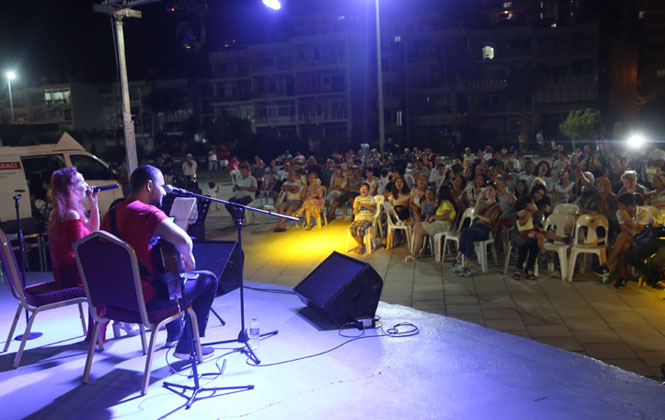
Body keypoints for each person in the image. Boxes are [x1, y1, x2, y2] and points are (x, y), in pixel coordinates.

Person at [101, 165, 218, 359]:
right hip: (145, 301)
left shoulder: (112, 213)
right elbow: (184, 241)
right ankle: (187, 345)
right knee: (209, 281)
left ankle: (175, 333)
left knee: (164, 277)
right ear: (149, 186)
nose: (164, 191)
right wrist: (189, 258)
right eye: (161, 186)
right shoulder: (146, 213)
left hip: (115, 300)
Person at [594, 193, 653, 289]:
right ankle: (621, 277)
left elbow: (639, 233)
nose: (618, 207)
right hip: (629, 238)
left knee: (623, 238)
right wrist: (632, 229)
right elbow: (624, 230)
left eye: (621, 205)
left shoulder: (644, 213)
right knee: (624, 245)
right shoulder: (619, 213)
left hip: (647, 239)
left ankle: (608, 266)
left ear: (630, 206)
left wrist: (628, 219)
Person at [447, 181, 503, 277]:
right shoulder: (482, 202)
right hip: (475, 227)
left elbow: (490, 220)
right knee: (468, 235)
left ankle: (458, 259)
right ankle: (466, 266)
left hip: (485, 229)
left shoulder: (497, 206)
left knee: (466, 231)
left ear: (495, 192)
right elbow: (475, 212)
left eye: (491, 190)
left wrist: (478, 215)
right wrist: (478, 200)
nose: (488, 192)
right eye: (486, 190)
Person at [404, 185, 457, 262]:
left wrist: (434, 217)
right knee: (416, 226)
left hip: (444, 224)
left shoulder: (446, 203)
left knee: (420, 231)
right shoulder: (442, 203)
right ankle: (418, 249)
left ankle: (414, 254)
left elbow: (445, 216)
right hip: (438, 222)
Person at [348, 183, 377, 254]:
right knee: (351, 228)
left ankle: (360, 247)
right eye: (362, 188)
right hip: (358, 218)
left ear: (368, 191)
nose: (363, 190)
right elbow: (354, 212)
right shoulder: (357, 198)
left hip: (368, 218)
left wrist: (363, 204)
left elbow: (373, 208)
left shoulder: (371, 198)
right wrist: (357, 206)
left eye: (365, 189)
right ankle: (361, 245)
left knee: (360, 229)